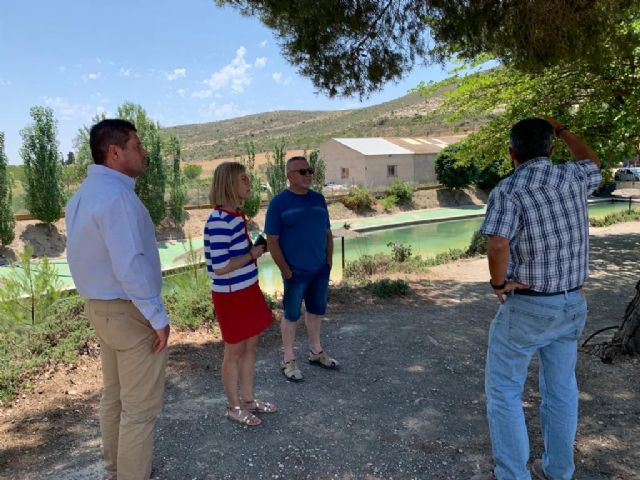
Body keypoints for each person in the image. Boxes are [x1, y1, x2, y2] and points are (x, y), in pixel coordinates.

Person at [477, 118, 601, 480]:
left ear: (511, 153)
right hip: (572, 303)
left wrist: (498, 284)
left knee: (504, 392)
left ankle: (513, 475)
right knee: (561, 390)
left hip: (530, 305)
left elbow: (497, 242)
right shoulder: (574, 177)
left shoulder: (509, 189)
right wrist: (562, 129)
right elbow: (592, 160)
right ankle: (560, 471)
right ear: (550, 149)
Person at [66, 119, 170, 480]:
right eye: (137, 144)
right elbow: (130, 264)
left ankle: (115, 470)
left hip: (101, 310)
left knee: (114, 397)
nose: (144, 151)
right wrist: (157, 317)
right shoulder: (117, 197)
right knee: (139, 410)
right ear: (115, 152)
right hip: (128, 313)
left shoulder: (83, 194)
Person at [203, 162, 276, 426]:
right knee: (234, 352)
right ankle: (233, 406)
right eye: (244, 180)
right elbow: (220, 267)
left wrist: (251, 255)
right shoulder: (218, 221)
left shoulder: (235, 216)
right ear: (230, 184)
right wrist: (252, 254)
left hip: (247, 290)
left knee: (250, 347)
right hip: (232, 296)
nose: (249, 184)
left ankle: (248, 400)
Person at [265, 156, 338, 382]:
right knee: (291, 315)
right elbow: (272, 241)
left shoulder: (318, 199)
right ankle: (288, 359)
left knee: (316, 312)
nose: (308, 175)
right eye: (302, 172)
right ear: (289, 176)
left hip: (319, 270)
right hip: (295, 273)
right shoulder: (279, 203)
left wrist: (328, 261)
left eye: (310, 171)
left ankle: (316, 352)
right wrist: (286, 271)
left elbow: (327, 232)